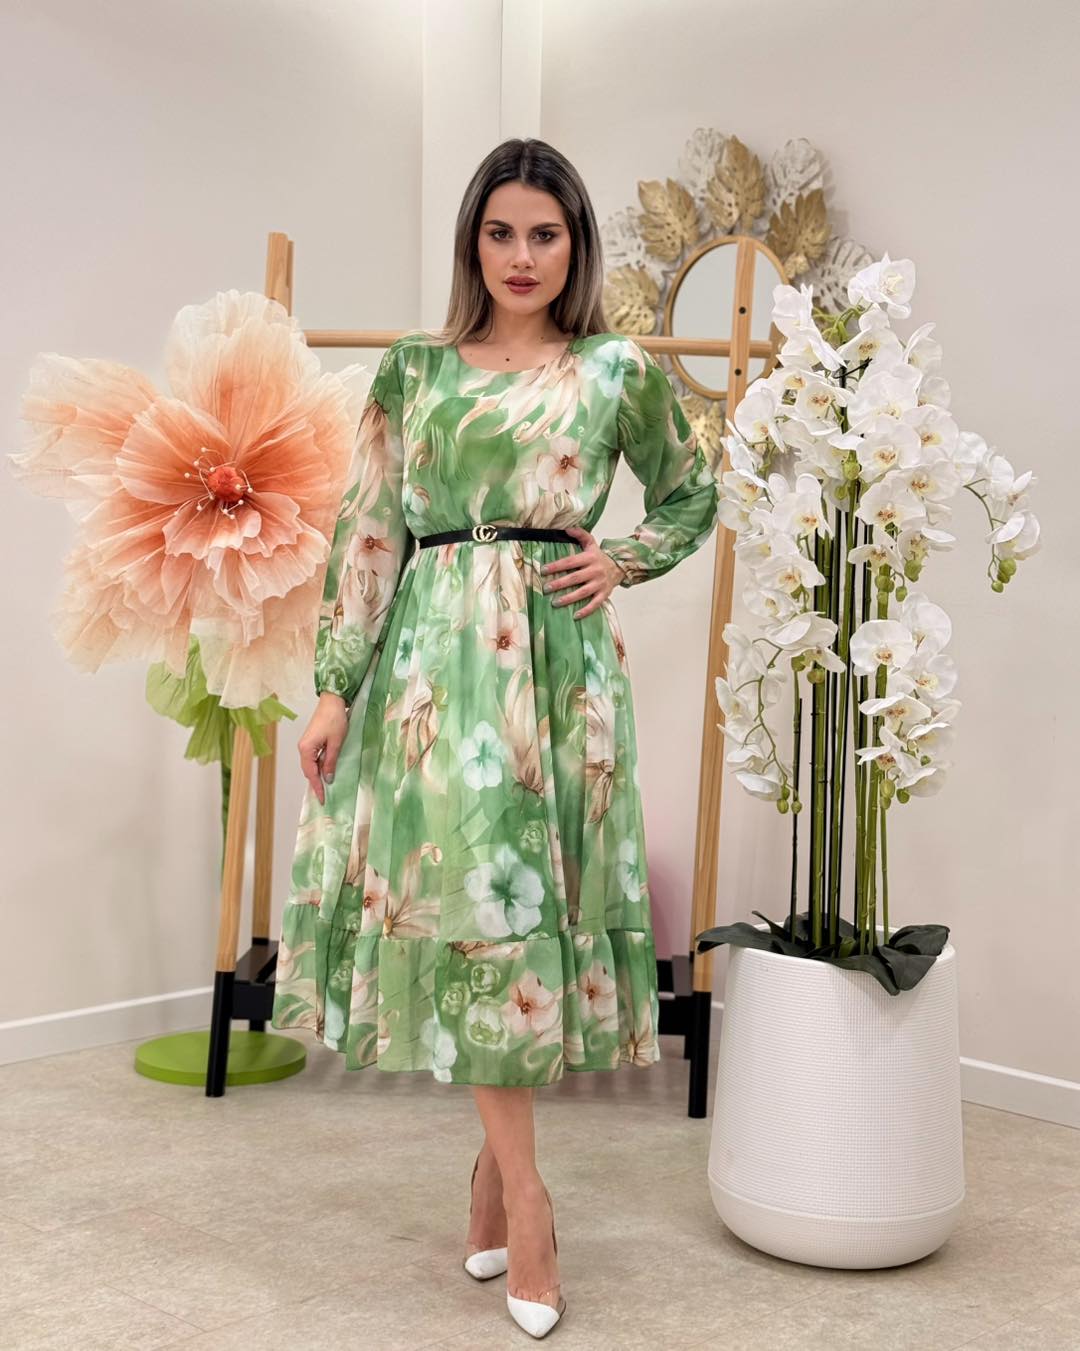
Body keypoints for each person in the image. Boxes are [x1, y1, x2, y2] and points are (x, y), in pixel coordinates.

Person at [271, 136, 718, 1338]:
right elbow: (369, 530)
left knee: (522, 916)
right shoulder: (414, 371)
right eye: (501, 232)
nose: (523, 256)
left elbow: (693, 490)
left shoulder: (615, 369)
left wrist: (623, 558)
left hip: (561, 672)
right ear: (473, 241)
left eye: (546, 234)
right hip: (433, 668)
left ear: (576, 246)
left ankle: (491, 1172)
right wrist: (335, 688)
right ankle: (527, 1196)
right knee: (471, 912)